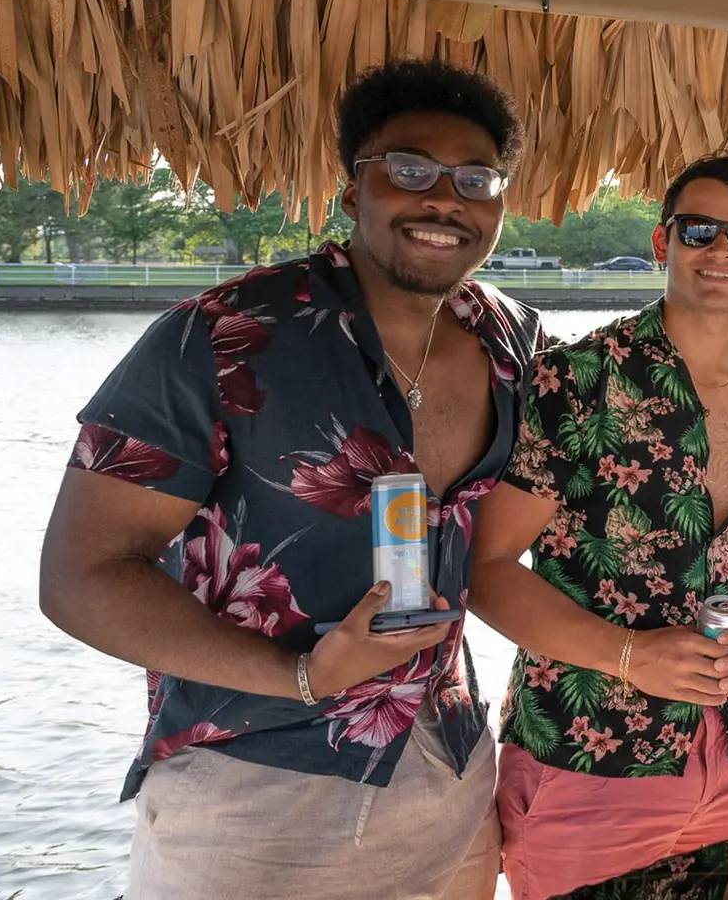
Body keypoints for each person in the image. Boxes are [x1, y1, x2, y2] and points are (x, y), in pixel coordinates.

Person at [37, 59, 544, 898]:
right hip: (257, 783)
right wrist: (302, 674)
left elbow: (620, 414)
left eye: (475, 177)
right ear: (353, 191)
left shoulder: (511, 341)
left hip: (449, 770)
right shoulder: (222, 336)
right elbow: (80, 577)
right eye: (409, 169)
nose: (444, 198)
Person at [469, 152, 728, 900]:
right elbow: (487, 570)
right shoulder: (578, 381)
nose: (721, 251)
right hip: (588, 760)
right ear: (663, 243)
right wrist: (629, 655)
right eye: (699, 230)